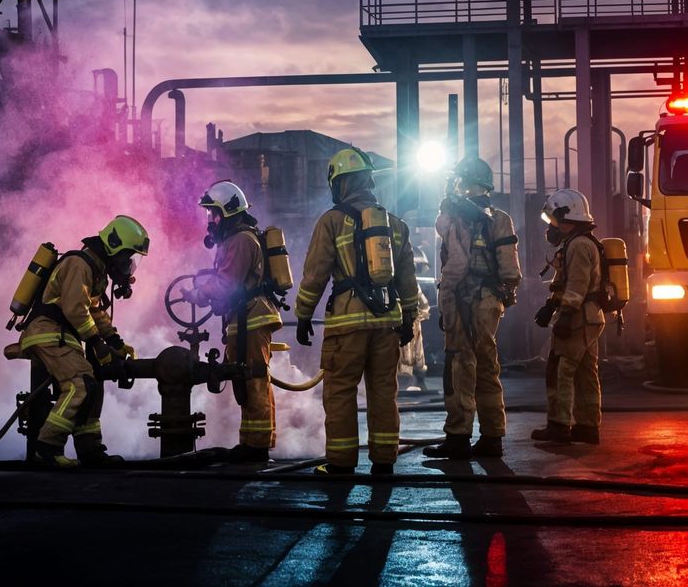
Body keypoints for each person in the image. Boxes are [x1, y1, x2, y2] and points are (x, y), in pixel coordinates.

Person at [294, 148, 420, 475]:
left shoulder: (332, 222)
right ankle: (384, 462)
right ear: (369, 180)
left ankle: (341, 463)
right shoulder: (394, 224)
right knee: (383, 393)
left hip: (347, 325)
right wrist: (409, 318)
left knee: (340, 393)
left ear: (340, 184)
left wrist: (304, 314)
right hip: (387, 322)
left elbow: (315, 273)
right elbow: (408, 279)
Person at [19, 215, 149, 467]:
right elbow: (76, 309)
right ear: (114, 246)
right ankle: (46, 448)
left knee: (94, 382)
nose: (128, 265)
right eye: (127, 257)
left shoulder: (96, 270)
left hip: (62, 335)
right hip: (47, 332)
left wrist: (115, 342)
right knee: (81, 384)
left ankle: (90, 450)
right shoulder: (80, 264)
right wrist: (98, 344)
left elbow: (95, 312)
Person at [424, 157, 522, 460]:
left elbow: (455, 261)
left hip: (467, 297)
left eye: (457, 181)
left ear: (464, 181)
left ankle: (458, 436)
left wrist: (447, 297)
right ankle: (492, 437)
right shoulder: (500, 217)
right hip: (490, 299)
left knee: (459, 365)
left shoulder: (458, 217)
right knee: (487, 366)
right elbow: (509, 268)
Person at [193, 180, 283, 463]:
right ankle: (252, 442)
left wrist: (198, 293)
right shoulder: (235, 239)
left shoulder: (242, 240)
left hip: (252, 319)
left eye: (214, 214)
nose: (211, 220)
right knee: (248, 379)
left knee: (254, 378)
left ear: (229, 211)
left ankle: (256, 447)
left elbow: (227, 282)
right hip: (244, 319)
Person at [532, 188, 604, 445]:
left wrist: (565, 316)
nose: (550, 227)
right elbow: (565, 283)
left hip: (578, 319)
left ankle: (559, 426)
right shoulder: (578, 243)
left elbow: (577, 285)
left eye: (553, 220)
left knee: (561, 371)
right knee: (586, 373)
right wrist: (551, 306)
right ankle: (587, 426)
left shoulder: (579, 245)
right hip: (587, 317)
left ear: (565, 215)